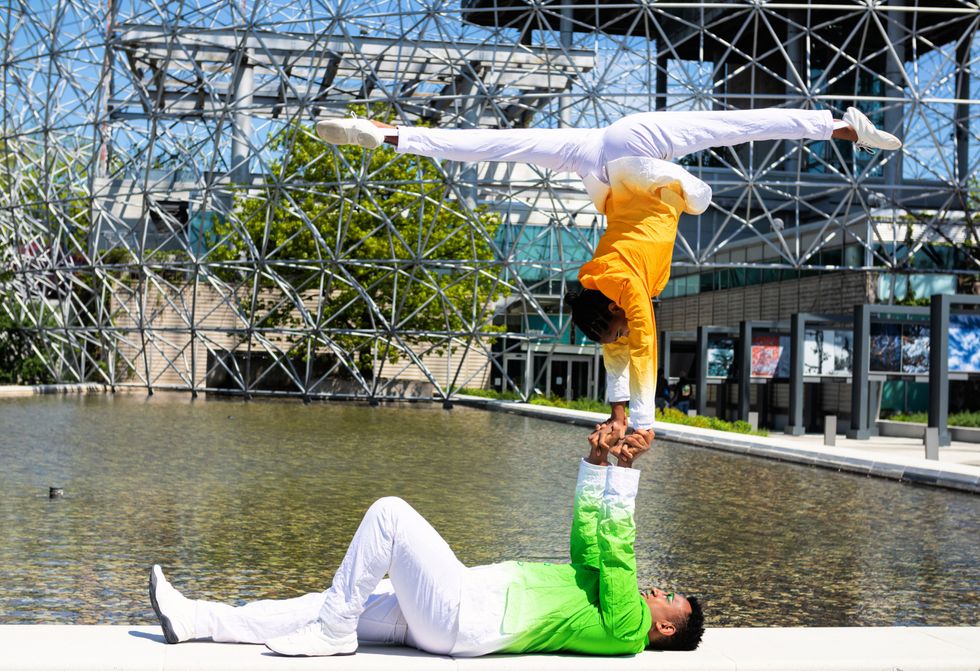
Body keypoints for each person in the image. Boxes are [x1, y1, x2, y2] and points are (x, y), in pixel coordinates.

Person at [315, 107, 901, 450]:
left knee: (724, 143)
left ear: (613, 312)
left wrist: (643, 425)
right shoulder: (596, 280)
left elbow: (640, 345)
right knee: (502, 145)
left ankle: (837, 127)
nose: (623, 330)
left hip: (642, 161)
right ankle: (391, 135)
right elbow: (618, 350)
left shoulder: (626, 291)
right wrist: (618, 417)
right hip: (602, 168)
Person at [149, 429, 705, 657]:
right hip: (453, 611)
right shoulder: (613, 604)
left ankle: (334, 634)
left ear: (663, 627)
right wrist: (597, 461)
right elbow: (592, 544)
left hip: (463, 615)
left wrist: (627, 472)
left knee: (389, 514)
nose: (655, 588)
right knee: (321, 604)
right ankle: (196, 620)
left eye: (668, 597)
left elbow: (617, 552)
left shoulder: (629, 628)